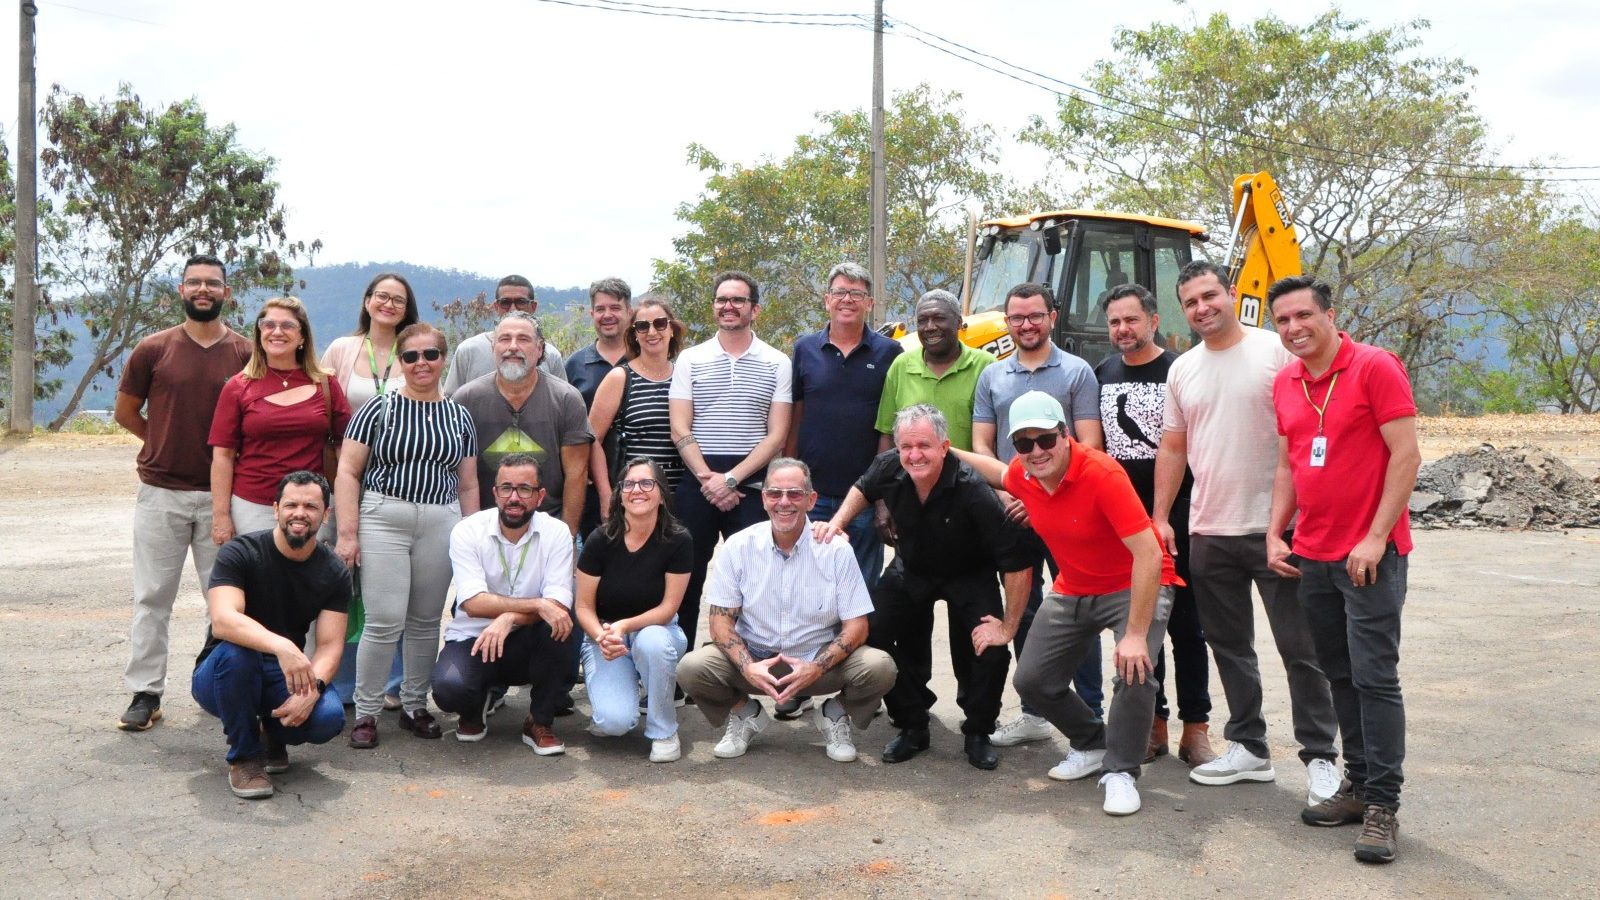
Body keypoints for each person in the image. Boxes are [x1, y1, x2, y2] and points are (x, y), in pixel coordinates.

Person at [1152, 260, 1340, 805]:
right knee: (1230, 647)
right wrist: (1161, 516)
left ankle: (1321, 756)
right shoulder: (1183, 369)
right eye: (1191, 302)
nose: (1202, 308)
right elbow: (1173, 446)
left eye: (1210, 296)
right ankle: (1250, 748)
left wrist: (1295, 519)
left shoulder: (1275, 350)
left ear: (1231, 293)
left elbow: (1305, 432)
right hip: (1210, 528)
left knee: (1300, 649)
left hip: (1277, 530)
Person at [954, 392, 1181, 816]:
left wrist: (1135, 634)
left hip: (1132, 582)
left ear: (1065, 434)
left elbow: (1149, 554)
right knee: (1033, 680)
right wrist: (944, 448)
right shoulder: (1025, 474)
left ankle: (1121, 770)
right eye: (1024, 443)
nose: (1036, 451)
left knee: (1134, 669)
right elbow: (997, 472)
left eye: (1045, 439)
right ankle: (1092, 742)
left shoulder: (1101, 474)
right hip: (1074, 586)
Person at [1265, 275, 1420, 864]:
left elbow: (1406, 455)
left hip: (1370, 557)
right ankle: (1356, 784)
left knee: (1375, 677)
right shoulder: (1286, 382)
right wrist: (1276, 530)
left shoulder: (1375, 367)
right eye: (1283, 320)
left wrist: (1376, 538)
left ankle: (1383, 805)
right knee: (1339, 674)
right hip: (1314, 554)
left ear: (1330, 316)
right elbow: (1289, 463)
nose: (1294, 328)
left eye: (1303, 315)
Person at [819, 404, 1032, 770]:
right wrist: (838, 522)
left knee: (991, 647)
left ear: (944, 447)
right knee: (872, 632)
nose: (914, 455)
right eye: (906, 446)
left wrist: (1008, 627)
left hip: (969, 572)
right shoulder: (889, 465)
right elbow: (862, 488)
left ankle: (978, 730)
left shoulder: (972, 487)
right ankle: (913, 723)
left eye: (924, 446)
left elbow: (1017, 564)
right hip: (912, 567)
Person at [677, 458, 896, 763]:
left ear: (811, 500)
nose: (784, 502)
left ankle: (835, 714)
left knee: (880, 667)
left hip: (818, 663)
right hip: (756, 660)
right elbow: (719, 623)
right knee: (691, 668)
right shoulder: (738, 546)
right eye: (774, 493)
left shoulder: (836, 550)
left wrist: (816, 668)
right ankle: (744, 713)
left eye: (794, 494)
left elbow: (857, 627)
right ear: (763, 498)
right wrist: (748, 667)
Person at [114, 253, 252, 731]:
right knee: (152, 597)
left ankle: (218, 684)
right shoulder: (153, 349)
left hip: (224, 497)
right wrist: (159, 441)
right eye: (194, 282)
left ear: (226, 293)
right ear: (181, 290)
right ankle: (145, 693)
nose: (203, 290)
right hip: (161, 492)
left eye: (212, 283)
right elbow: (126, 412)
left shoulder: (245, 354)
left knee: (227, 600)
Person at [971, 282, 1104, 748]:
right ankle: (1034, 713)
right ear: (1007, 322)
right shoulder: (992, 375)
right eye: (1016, 317)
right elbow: (983, 445)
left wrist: (1045, 497)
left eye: (1034, 316)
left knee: (1080, 610)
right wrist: (1009, 494)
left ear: (1052, 317)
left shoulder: (1077, 372)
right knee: (1023, 610)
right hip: (1013, 511)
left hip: (1067, 512)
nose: (1025, 324)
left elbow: (1089, 444)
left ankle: (1091, 711)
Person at [335, 323, 480, 748]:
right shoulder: (377, 409)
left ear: (443, 359)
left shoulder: (460, 416)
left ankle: (415, 705)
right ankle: (367, 711)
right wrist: (348, 533)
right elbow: (348, 472)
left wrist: (473, 539)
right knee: (383, 620)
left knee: (425, 620)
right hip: (384, 518)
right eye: (411, 356)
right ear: (400, 361)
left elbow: (468, 483)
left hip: (441, 519)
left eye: (430, 354)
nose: (421, 363)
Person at [1095, 283, 1217, 767]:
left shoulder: (1179, 370)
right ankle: (1154, 723)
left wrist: (1170, 515)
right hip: (1123, 523)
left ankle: (1196, 729)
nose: (1123, 329)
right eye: (1114, 322)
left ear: (1153, 320)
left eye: (1131, 320)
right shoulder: (1103, 374)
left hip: (1178, 518)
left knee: (1187, 626)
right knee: (1141, 625)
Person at [781, 263, 902, 721]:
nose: (847, 299)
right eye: (839, 291)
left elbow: (887, 428)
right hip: (811, 497)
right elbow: (795, 414)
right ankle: (796, 687)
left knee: (859, 598)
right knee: (804, 597)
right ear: (827, 299)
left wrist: (882, 495)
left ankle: (854, 692)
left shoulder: (889, 352)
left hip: (864, 499)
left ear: (869, 302)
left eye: (856, 292)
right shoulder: (804, 349)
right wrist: (788, 476)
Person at [190, 471, 350, 799]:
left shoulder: (333, 571)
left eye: (311, 506)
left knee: (328, 717)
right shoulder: (240, 552)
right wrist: (281, 645)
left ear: (326, 514)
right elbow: (223, 620)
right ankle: (245, 758)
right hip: (222, 671)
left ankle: (271, 733)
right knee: (239, 652)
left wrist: (314, 690)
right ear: (276, 509)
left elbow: (330, 646)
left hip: (281, 673)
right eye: (291, 505)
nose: (300, 513)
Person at [668, 271, 792, 656]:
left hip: (751, 483)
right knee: (686, 579)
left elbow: (777, 435)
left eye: (738, 300)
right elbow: (679, 426)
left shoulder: (777, 362)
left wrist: (732, 479)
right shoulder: (690, 359)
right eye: (722, 299)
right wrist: (708, 479)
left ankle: (756, 670)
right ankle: (680, 671)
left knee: (758, 583)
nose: (729, 306)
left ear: (755, 309)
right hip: (698, 480)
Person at [430, 453, 579, 755]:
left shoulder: (557, 532)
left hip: (531, 640)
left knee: (561, 621)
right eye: (506, 488)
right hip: (475, 638)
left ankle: (539, 721)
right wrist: (534, 605)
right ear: (495, 493)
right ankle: (474, 708)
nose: (514, 497)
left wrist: (509, 617)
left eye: (524, 489)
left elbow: (557, 603)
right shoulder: (468, 530)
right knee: (449, 689)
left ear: (540, 496)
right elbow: (473, 603)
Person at [320, 272, 417, 708]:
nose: (389, 305)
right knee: (341, 580)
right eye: (382, 296)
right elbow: (321, 412)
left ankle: (392, 683)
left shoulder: (415, 351)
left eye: (398, 299)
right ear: (367, 300)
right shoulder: (342, 350)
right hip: (344, 479)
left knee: (391, 587)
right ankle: (338, 680)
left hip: (398, 486)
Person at [575, 459, 692, 762]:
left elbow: (668, 608)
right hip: (606, 636)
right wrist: (602, 636)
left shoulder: (678, 540)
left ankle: (663, 731)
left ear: (662, 495)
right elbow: (583, 606)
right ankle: (618, 700)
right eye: (629, 484)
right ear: (620, 495)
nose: (636, 490)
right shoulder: (600, 539)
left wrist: (625, 626)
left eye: (646, 483)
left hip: (658, 632)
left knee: (652, 642)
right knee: (613, 724)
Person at [209, 296, 351, 540]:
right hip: (254, 506)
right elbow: (223, 456)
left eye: (287, 325)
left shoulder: (326, 385)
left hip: (311, 504)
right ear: (259, 333)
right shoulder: (238, 387)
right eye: (268, 325)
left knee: (310, 567)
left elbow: (344, 449)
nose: (276, 332)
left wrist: (346, 511)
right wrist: (220, 516)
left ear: (302, 336)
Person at [452, 312, 592, 536]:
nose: (513, 347)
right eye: (504, 339)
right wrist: (473, 534)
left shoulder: (567, 399)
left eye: (523, 339)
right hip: (485, 527)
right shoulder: (466, 399)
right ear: (493, 348)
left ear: (540, 349)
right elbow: (460, 477)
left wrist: (568, 536)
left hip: (548, 526)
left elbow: (576, 475)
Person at [588, 297, 688, 515]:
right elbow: (593, 440)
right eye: (642, 326)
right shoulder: (620, 377)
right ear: (634, 334)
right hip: (633, 497)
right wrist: (606, 495)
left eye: (660, 323)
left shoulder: (685, 376)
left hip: (681, 498)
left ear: (672, 329)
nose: (652, 332)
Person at [874, 290, 996, 452]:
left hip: (969, 469)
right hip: (912, 468)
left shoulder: (986, 366)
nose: (929, 327)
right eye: (922, 321)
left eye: (939, 318)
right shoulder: (901, 366)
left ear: (959, 322)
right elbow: (887, 434)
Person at [565, 278, 634, 537]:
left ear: (629, 311)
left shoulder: (645, 358)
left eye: (615, 308)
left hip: (643, 478)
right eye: (600, 309)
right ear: (591, 313)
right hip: (589, 485)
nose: (607, 315)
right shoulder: (574, 364)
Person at [441, 274, 567, 395]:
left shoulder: (551, 355)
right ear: (496, 306)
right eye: (505, 302)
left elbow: (561, 399)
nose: (513, 309)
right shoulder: (468, 351)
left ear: (533, 307)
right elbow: (451, 401)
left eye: (521, 302)